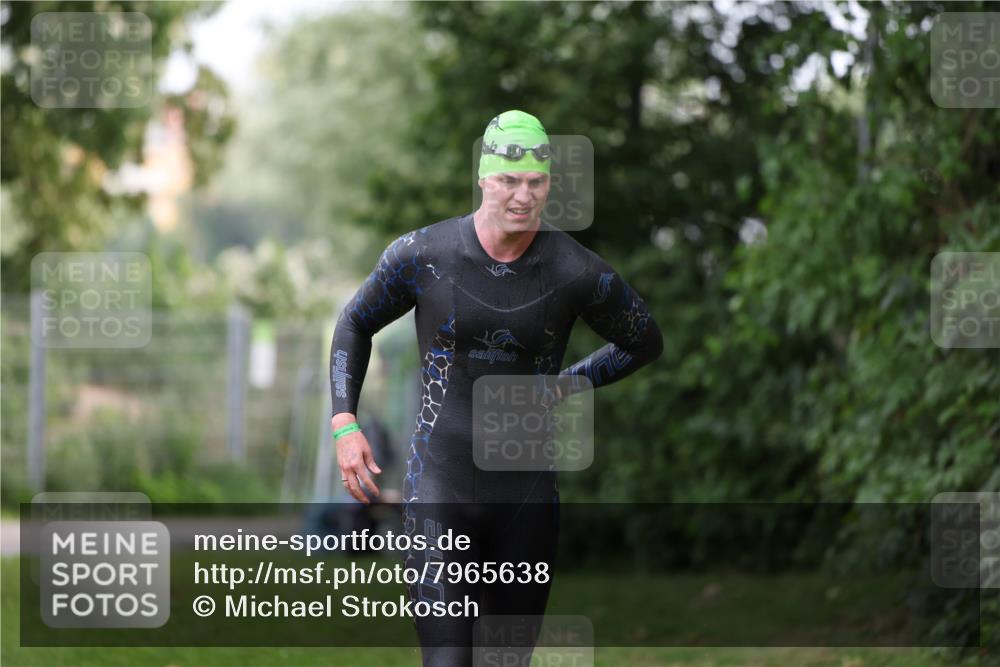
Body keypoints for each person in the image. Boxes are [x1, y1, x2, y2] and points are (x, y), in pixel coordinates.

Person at [329, 110, 663, 666]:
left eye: (535, 182)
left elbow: (644, 341)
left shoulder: (575, 271)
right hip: (440, 484)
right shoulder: (424, 254)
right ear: (484, 177)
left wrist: (569, 383)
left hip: (525, 497)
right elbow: (354, 322)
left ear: (549, 185)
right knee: (448, 662)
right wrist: (345, 422)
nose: (522, 195)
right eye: (509, 180)